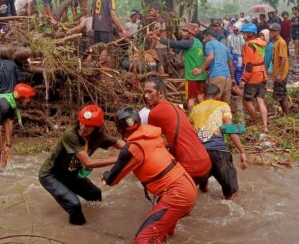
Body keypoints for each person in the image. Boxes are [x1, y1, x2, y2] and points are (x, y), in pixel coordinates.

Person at [103, 107, 198, 244]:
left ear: (120, 128)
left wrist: (105, 175)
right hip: (187, 184)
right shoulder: (152, 135)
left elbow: (112, 180)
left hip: (177, 193)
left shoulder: (132, 149)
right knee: (165, 232)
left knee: (143, 239)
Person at [39, 105, 124, 225]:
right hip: (51, 175)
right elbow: (87, 162)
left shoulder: (99, 137)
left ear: (96, 128)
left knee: (95, 194)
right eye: (82, 123)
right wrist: (118, 159)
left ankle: (96, 221)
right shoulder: (71, 134)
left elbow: (119, 144)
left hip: (70, 174)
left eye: (88, 126)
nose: (83, 127)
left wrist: (136, 149)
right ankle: (79, 230)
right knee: (74, 205)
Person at [143, 77, 211, 182]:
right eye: (145, 92)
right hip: (206, 163)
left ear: (161, 93)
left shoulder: (155, 113)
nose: (146, 96)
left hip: (190, 167)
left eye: (150, 92)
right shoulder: (177, 107)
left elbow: (153, 144)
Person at [189, 83, 247, 199]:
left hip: (200, 154)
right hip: (218, 152)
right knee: (232, 193)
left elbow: (190, 132)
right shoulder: (222, 105)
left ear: (204, 95)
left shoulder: (195, 109)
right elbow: (230, 129)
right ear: (218, 96)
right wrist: (242, 151)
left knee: (203, 188)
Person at [157, 23, 206, 110]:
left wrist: (156, 38)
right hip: (201, 74)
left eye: (184, 31)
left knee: (191, 99)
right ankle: (204, 115)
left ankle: (191, 117)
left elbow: (174, 43)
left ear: (190, 33)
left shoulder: (188, 43)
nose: (182, 33)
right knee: (200, 95)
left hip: (192, 76)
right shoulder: (197, 42)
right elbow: (181, 47)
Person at [239, 23, 269, 133]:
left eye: (245, 33)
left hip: (252, 77)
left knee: (247, 101)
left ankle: (257, 123)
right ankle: (265, 126)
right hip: (262, 74)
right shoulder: (261, 44)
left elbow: (249, 65)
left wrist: (243, 79)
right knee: (260, 100)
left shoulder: (248, 46)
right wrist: (265, 75)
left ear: (250, 34)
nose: (243, 35)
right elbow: (262, 61)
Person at [193, 29, 235, 105]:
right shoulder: (224, 46)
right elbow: (231, 63)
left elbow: (211, 57)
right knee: (225, 105)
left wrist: (200, 69)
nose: (204, 39)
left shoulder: (209, 44)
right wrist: (232, 78)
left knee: (212, 103)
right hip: (227, 77)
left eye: (204, 37)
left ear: (209, 36)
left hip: (217, 75)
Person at [91, 0, 128, 67]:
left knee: (97, 49)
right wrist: (122, 29)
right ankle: (106, 73)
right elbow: (113, 15)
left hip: (96, 27)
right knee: (106, 50)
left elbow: (92, 12)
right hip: (106, 28)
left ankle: (97, 70)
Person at [269, 24, 290, 115]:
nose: (270, 33)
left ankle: (288, 115)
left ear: (277, 32)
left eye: (272, 32)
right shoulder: (276, 42)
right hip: (277, 72)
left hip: (281, 73)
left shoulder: (281, 42)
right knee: (279, 95)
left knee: (281, 94)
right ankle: (285, 113)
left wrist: (280, 73)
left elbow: (283, 58)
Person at [226, 21, 245, 85]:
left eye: (236, 30)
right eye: (233, 30)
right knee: (234, 71)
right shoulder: (230, 37)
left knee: (240, 71)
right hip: (233, 56)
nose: (234, 31)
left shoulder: (243, 37)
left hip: (242, 57)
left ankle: (240, 86)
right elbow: (228, 48)